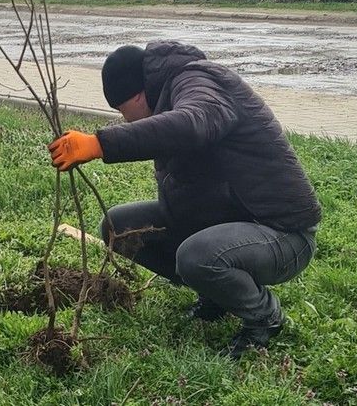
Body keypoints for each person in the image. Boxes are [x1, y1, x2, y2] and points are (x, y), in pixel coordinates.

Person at [48, 41, 322, 358]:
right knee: (119, 228)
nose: (125, 120)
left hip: (282, 233)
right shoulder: (168, 96)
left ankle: (265, 317)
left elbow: (194, 122)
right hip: (235, 221)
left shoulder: (198, 82)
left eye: (122, 111)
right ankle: (216, 294)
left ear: (137, 95)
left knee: (196, 256)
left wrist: (102, 144)